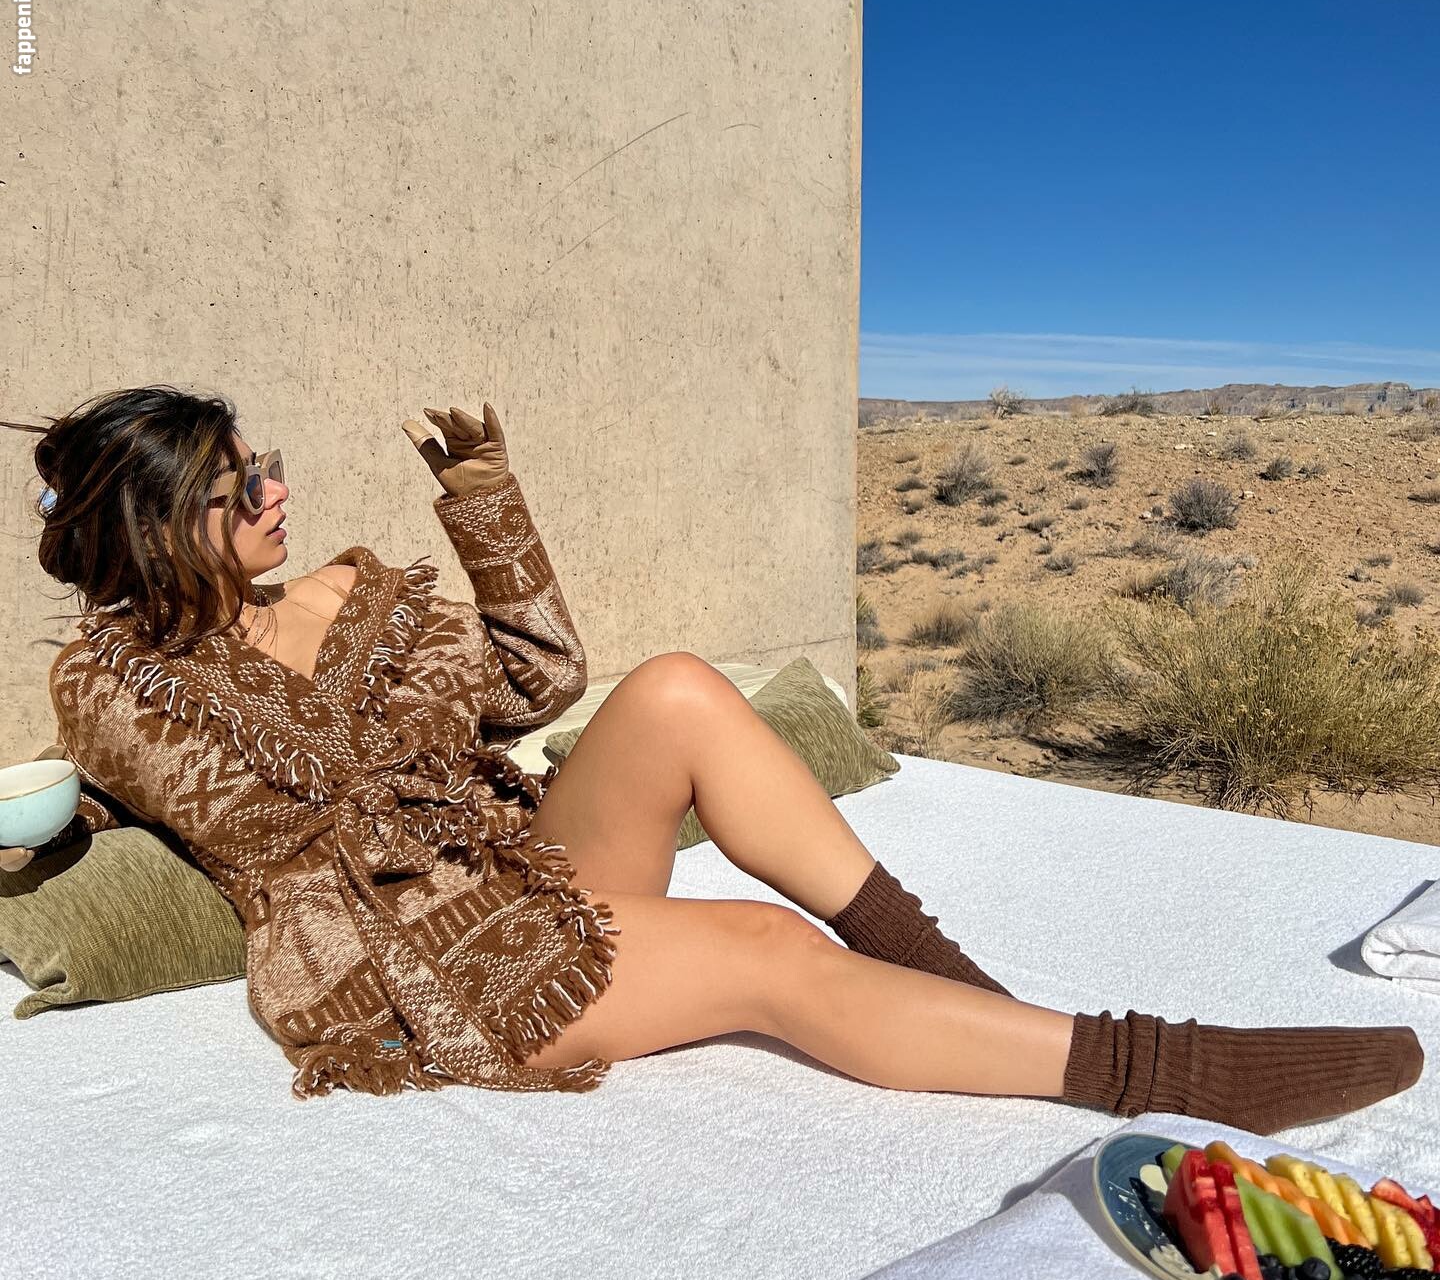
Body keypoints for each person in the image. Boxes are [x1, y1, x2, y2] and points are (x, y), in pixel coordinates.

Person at [0, 385, 1424, 1127]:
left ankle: (951, 987)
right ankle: (1161, 1069)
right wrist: (55, 830)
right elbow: (235, 806)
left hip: (508, 865)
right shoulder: (118, 681)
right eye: (240, 481)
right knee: (758, 949)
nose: (278, 487)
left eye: (266, 461)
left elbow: (539, 682)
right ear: (161, 522)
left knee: (676, 687)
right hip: (401, 963)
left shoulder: (342, 587)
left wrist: (487, 509)